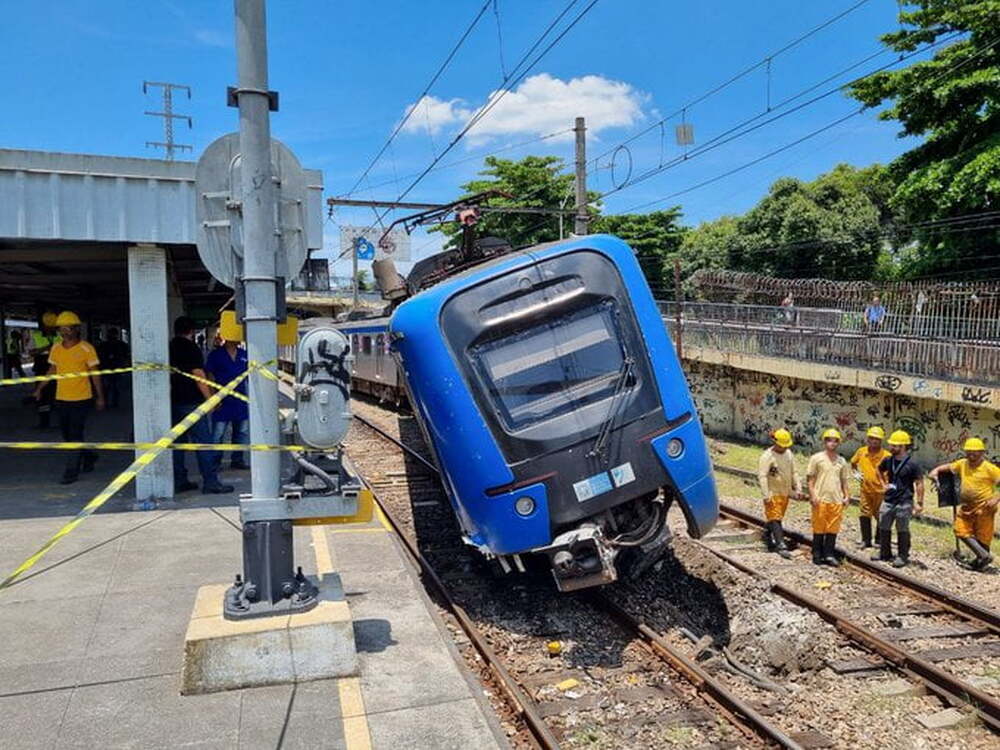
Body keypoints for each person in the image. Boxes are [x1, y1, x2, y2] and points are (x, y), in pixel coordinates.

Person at [33, 311, 104, 484]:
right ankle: (89, 456)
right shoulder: (56, 348)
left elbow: (95, 375)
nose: (64, 332)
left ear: (76, 329)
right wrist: (40, 388)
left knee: (75, 433)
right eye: (61, 329)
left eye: (67, 328)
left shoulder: (87, 349)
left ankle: (71, 471)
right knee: (67, 435)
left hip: (82, 399)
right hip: (62, 398)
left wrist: (100, 397)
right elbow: (53, 370)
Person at [170, 316, 233, 495]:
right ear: (191, 331)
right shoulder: (191, 348)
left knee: (178, 445)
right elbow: (198, 375)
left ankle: (180, 481)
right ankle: (211, 482)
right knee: (204, 444)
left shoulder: (170, 346)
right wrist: (211, 399)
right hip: (192, 403)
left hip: (174, 400)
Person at [929, 438, 1000, 571]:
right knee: (960, 529)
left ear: (982, 453)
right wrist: (936, 471)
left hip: (985, 507)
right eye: (968, 451)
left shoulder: (990, 468)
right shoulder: (962, 464)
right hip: (967, 506)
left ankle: (980, 563)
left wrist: (996, 498)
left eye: (975, 452)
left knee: (983, 536)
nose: (971, 454)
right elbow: (948, 467)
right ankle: (984, 556)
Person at [873, 431, 924, 567]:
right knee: (883, 525)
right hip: (889, 500)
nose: (891, 448)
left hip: (904, 501)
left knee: (902, 528)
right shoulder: (888, 460)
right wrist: (883, 484)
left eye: (895, 446)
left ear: (903, 446)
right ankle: (885, 552)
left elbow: (919, 483)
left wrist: (919, 503)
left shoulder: (913, 464)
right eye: (891, 445)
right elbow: (878, 470)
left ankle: (903, 555)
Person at [204, 332, 249, 471]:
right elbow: (210, 376)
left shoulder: (244, 354)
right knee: (218, 433)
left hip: (240, 400)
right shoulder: (216, 355)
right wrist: (212, 397)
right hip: (222, 400)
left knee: (241, 432)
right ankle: (215, 461)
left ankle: (237, 459)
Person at [806, 428, 851, 566]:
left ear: (838, 443)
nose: (832, 443)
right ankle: (817, 553)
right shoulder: (816, 458)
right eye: (829, 440)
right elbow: (810, 479)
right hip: (820, 499)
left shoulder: (842, 461)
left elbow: (844, 480)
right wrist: (813, 495)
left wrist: (847, 496)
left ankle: (829, 554)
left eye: (835, 440)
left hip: (836, 500)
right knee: (819, 527)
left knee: (833, 528)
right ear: (824, 442)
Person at [757, 428, 802, 559]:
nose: (784, 448)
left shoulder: (788, 454)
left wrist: (798, 487)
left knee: (777, 516)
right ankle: (780, 545)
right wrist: (766, 494)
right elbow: (763, 476)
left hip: (785, 491)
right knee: (775, 517)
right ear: (775, 442)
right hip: (772, 492)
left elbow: (794, 472)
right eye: (782, 446)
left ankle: (766, 533)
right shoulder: (767, 457)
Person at [850, 427, 891, 549]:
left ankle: (879, 540)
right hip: (866, 490)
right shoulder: (862, 452)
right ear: (867, 439)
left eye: (877, 439)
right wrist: (856, 474)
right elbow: (853, 463)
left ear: (881, 440)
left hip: (881, 492)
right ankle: (866, 540)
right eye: (871, 438)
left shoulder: (887, 456)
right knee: (864, 514)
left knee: (881, 515)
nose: (873, 441)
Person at [30, 312, 59, 428]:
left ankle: (60, 419)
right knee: (41, 396)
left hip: (57, 368)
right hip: (41, 369)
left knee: (57, 395)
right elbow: (31, 352)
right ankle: (44, 421)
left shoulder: (59, 336)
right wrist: (46, 348)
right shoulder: (36, 336)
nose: (51, 328)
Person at [96, 327, 130, 409]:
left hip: (111, 367)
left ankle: (112, 403)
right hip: (110, 367)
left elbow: (125, 356)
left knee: (112, 386)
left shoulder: (118, 345)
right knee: (110, 386)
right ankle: (111, 403)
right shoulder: (119, 345)